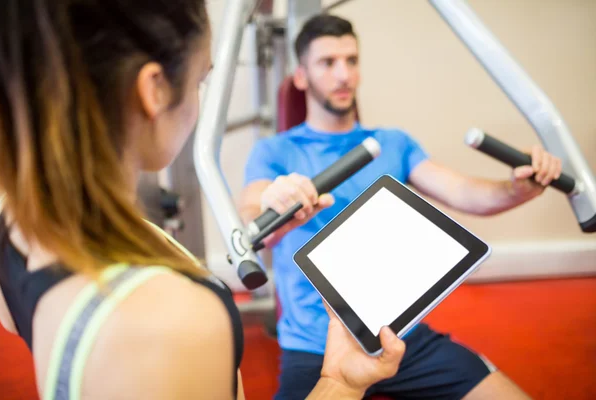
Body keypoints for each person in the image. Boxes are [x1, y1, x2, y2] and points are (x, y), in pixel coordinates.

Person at [0, 2, 406, 399]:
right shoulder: (176, 320)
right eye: (199, 80)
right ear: (154, 89)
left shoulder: (11, 217)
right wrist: (341, 386)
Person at [239, 14, 563, 400]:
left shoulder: (392, 143)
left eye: (352, 60)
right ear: (302, 76)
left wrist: (518, 188)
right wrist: (274, 199)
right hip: (318, 344)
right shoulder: (276, 151)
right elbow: (251, 210)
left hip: (400, 334)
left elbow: (464, 193)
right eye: (328, 63)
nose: (344, 75)